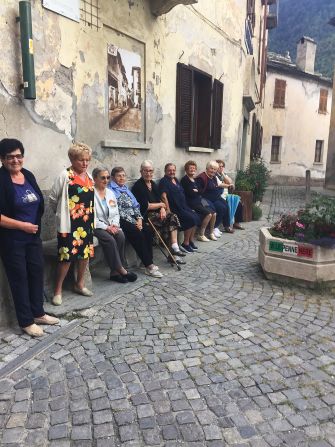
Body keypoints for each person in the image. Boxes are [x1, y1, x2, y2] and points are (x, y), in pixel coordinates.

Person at [0, 138, 59, 336]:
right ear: (2, 159)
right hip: (12, 239)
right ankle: (26, 321)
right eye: (10, 157)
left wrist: (32, 227)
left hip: (33, 237)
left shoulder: (28, 175)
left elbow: (38, 204)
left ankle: (38, 313)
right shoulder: (1, 180)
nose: (15, 160)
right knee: (19, 278)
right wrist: (21, 226)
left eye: (18, 156)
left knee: (36, 272)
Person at [49, 142, 95, 306]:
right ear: (72, 159)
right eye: (81, 160)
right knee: (66, 257)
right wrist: (62, 214)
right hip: (69, 224)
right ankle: (58, 290)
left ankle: (79, 284)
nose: (85, 163)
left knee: (84, 256)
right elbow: (53, 199)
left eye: (87, 160)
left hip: (86, 223)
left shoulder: (89, 177)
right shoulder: (65, 176)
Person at [108, 167, 163, 278]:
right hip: (119, 219)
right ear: (113, 178)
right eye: (119, 176)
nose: (122, 178)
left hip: (133, 218)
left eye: (123, 175)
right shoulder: (110, 190)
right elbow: (115, 209)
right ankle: (149, 266)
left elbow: (135, 205)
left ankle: (146, 262)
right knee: (136, 232)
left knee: (147, 230)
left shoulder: (125, 188)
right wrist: (134, 222)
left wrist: (139, 219)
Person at [131, 160, 185, 259]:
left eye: (150, 171)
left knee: (172, 218)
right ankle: (173, 253)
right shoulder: (138, 186)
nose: (148, 173)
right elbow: (146, 206)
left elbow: (160, 200)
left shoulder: (153, 184)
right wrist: (161, 205)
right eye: (145, 171)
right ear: (141, 172)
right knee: (171, 220)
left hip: (158, 214)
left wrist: (163, 209)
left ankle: (174, 249)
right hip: (146, 217)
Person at [93, 167, 137, 283]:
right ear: (95, 179)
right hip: (96, 226)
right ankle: (121, 269)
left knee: (120, 236)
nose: (106, 180)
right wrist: (107, 227)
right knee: (110, 240)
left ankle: (114, 273)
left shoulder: (110, 193)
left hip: (112, 225)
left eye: (107, 177)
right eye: (103, 178)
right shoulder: (90, 194)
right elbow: (92, 217)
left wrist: (115, 225)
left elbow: (116, 213)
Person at [159, 163, 201, 253]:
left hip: (183, 206)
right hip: (175, 208)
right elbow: (163, 196)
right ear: (165, 171)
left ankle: (190, 241)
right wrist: (168, 210)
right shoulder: (164, 181)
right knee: (191, 219)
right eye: (169, 170)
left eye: (173, 170)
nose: (172, 172)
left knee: (196, 216)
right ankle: (185, 244)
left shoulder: (175, 179)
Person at [180, 160, 217, 241]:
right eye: (190, 168)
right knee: (209, 214)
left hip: (199, 200)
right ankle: (201, 234)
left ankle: (211, 233)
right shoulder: (185, 180)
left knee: (214, 213)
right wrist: (196, 191)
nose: (192, 169)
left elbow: (201, 191)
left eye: (194, 168)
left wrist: (196, 191)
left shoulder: (194, 179)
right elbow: (190, 193)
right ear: (186, 170)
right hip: (192, 203)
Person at [196, 160, 233, 239]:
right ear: (207, 168)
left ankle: (214, 229)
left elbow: (219, 184)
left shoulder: (213, 177)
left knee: (226, 205)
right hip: (204, 199)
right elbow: (198, 192)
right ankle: (209, 230)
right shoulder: (202, 177)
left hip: (215, 198)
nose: (213, 171)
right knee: (218, 209)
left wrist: (228, 186)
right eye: (211, 168)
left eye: (215, 169)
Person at [216, 159, 244, 230]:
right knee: (226, 205)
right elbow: (222, 184)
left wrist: (222, 174)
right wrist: (229, 185)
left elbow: (230, 181)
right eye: (219, 166)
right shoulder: (215, 175)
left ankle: (236, 223)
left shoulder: (223, 175)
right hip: (220, 196)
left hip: (227, 195)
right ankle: (227, 226)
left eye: (222, 166)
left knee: (239, 203)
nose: (221, 168)